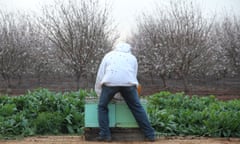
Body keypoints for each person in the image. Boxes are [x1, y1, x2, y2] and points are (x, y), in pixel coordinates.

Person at [95, 42, 155, 142]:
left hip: (109, 82)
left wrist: (99, 92)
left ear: (115, 48)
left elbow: (101, 74)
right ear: (129, 49)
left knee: (102, 106)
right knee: (137, 107)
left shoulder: (109, 55)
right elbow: (133, 74)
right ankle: (150, 135)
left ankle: (105, 135)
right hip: (129, 83)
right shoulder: (132, 58)